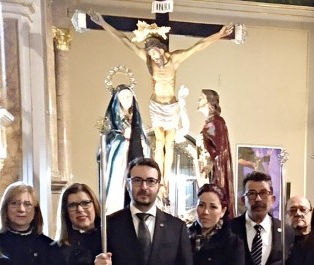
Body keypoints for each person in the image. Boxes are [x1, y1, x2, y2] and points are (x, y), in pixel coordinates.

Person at [90, 12, 233, 194]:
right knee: (159, 141)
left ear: (160, 48)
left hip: (171, 106)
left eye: (155, 53)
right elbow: (124, 40)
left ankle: (166, 180)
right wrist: (103, 23)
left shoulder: (175, 59)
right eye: (150, 54)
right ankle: (158, 180)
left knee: (169, 144)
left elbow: (199, 46)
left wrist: (220, 34)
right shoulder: (149, 60)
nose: (154, 57)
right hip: (157, 105)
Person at [103, 83, 149, 215]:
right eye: (122, 97)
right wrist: (122, 139)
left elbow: (145, 142)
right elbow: (106, 143)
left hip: (135, 158)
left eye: (129, 96)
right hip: (120, 162)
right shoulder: (112, 121)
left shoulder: (137, 120)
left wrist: (139, 141)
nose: (126, 100)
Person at [197, 89, 234, 217]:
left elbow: (219, 147)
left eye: (201, 98)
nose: (198, 100)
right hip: (206, 170)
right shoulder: (210, 122)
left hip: (213, 169)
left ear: (209, 101)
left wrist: (209, 162)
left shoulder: (217, 121)